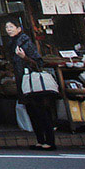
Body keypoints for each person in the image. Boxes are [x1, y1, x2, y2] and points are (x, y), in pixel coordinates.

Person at [6, 18, 57, 150]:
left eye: (11, 26)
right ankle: (40, 140)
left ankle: (50, 141)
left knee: (41, 111)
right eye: (7, 27)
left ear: (19, 28)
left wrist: (25, 58)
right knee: (32, 112)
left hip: (33, 82)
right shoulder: (12, 43)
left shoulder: (25, 42)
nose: (9, 29)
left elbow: (38, 63)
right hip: (23, 82)